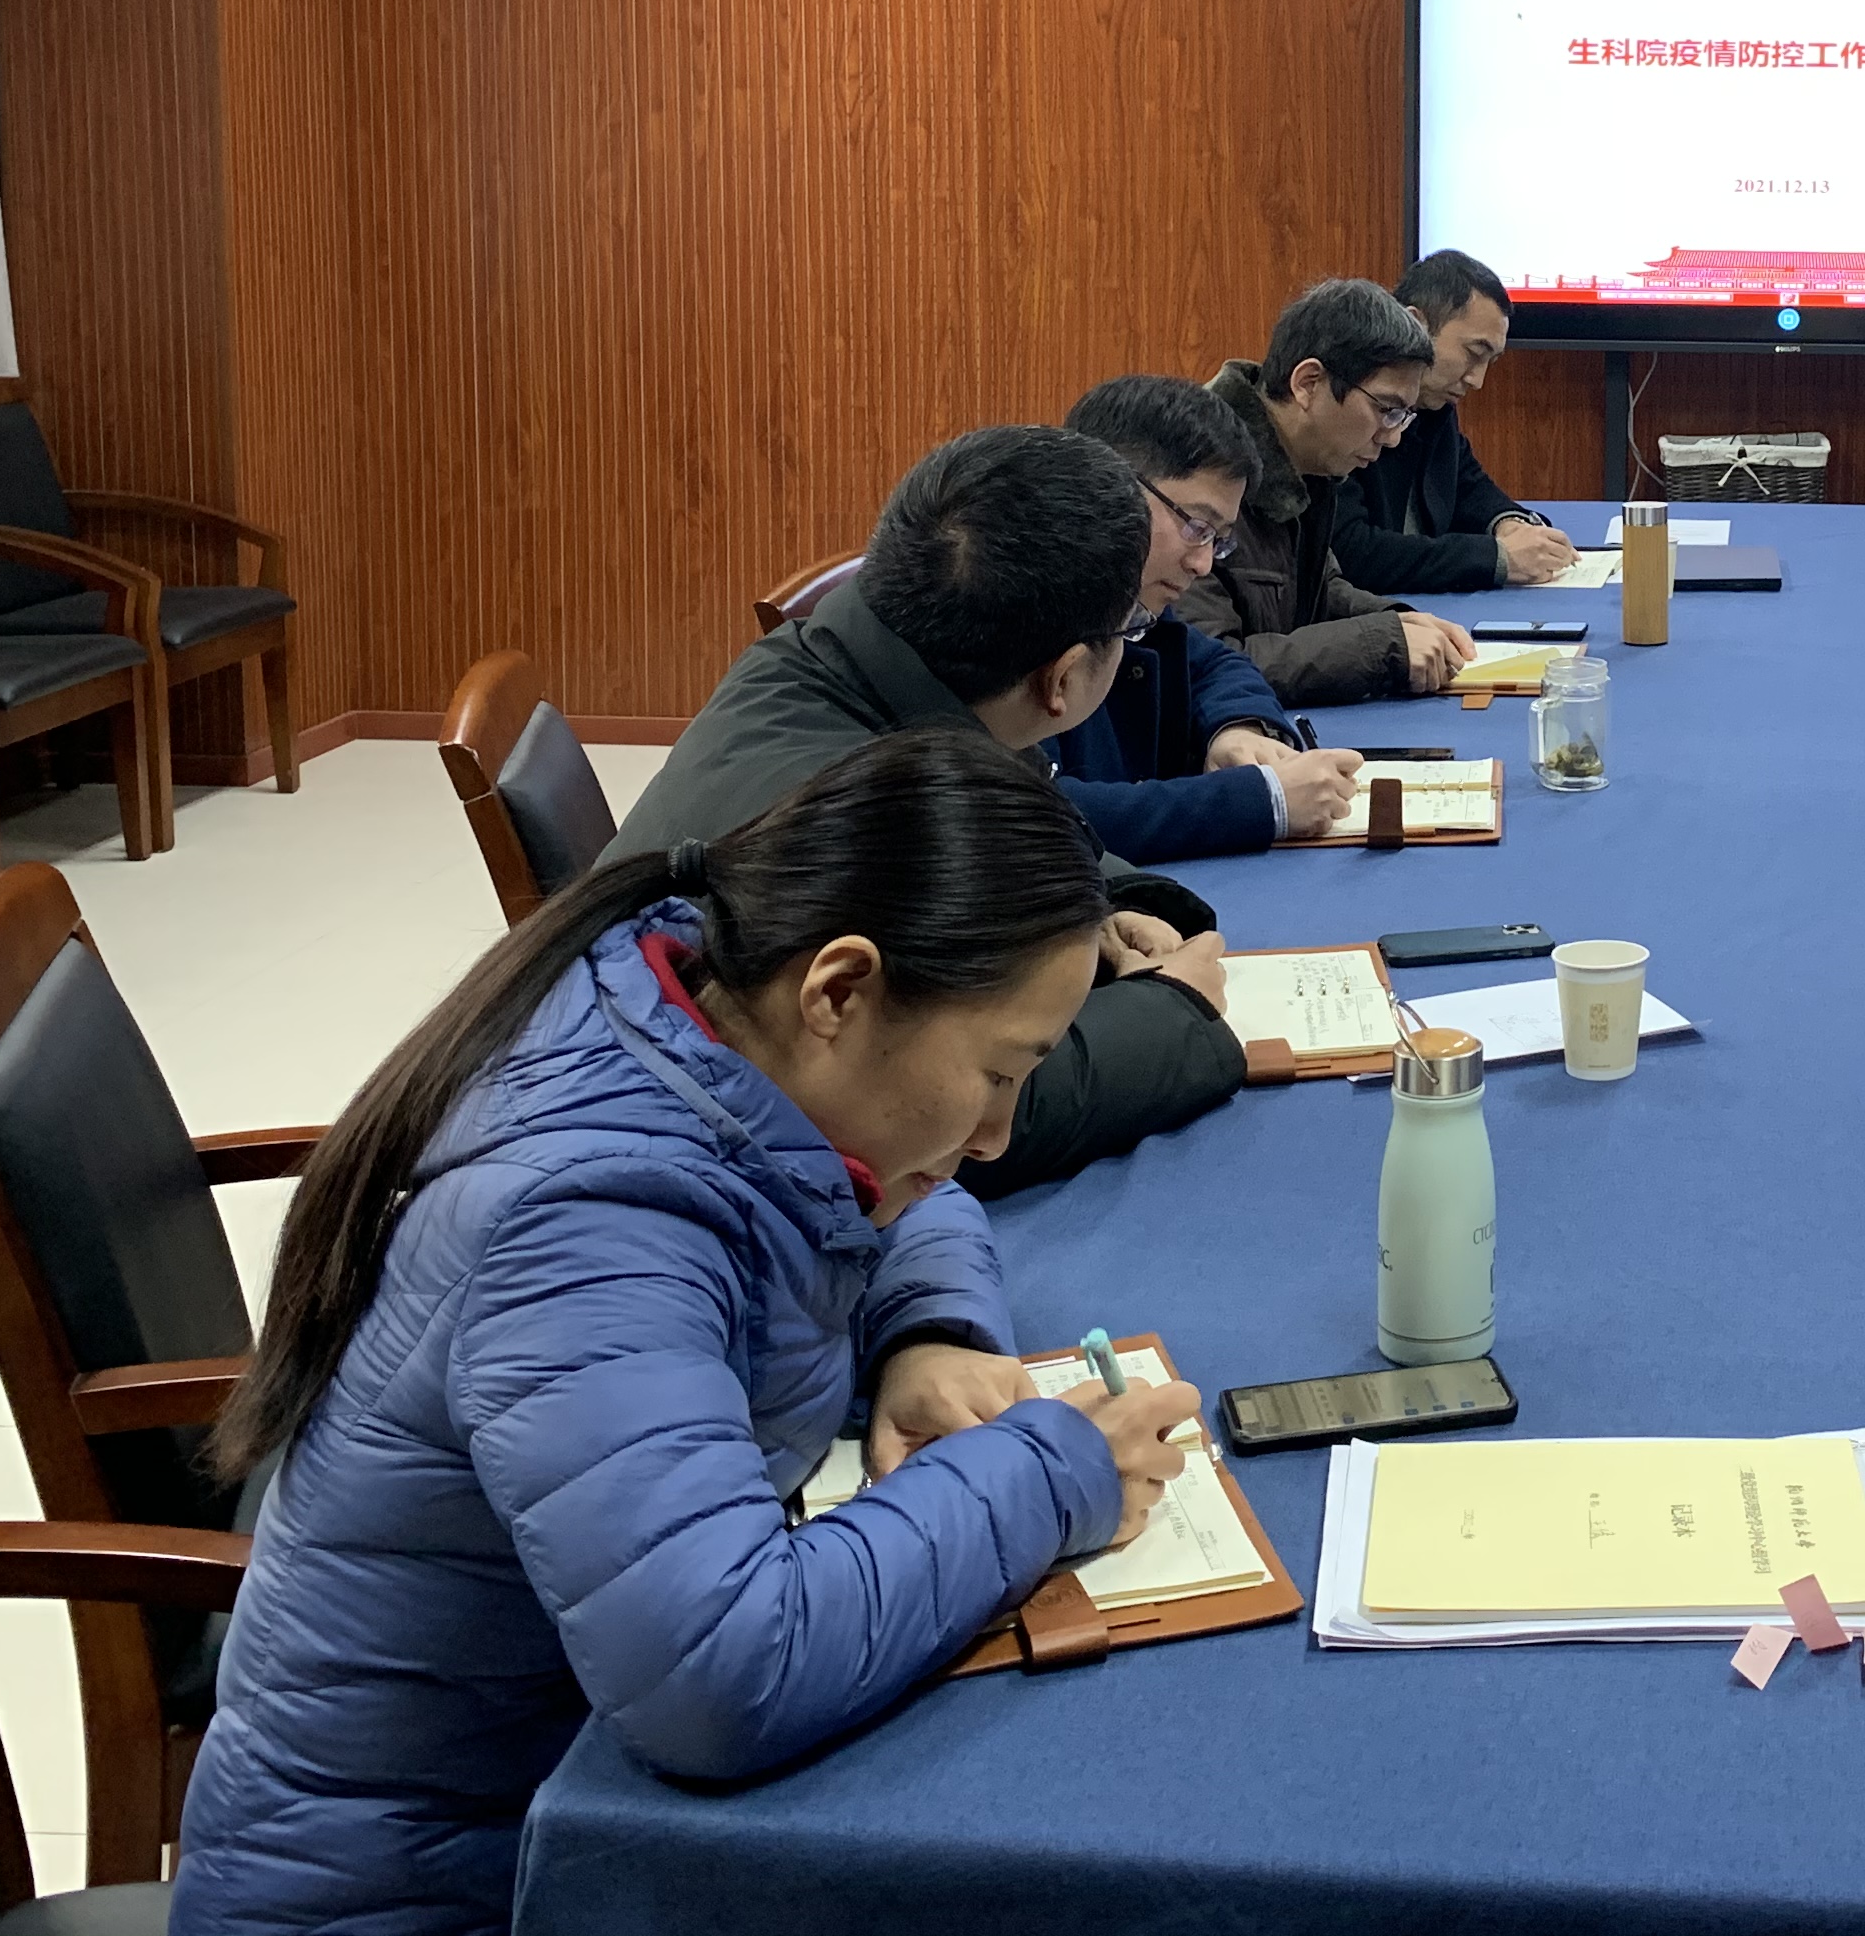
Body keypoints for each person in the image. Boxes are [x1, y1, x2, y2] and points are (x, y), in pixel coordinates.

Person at [173, 731, 1203, 1936]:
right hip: (420, 1895)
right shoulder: (590, 1227)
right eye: (998, 1071)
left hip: (520, 1810)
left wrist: (927, 1333)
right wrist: (1055, 1471)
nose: (995, 1135)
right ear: (839, 991)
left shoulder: (697, 1019)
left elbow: (888, 1200)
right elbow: (721, 1674)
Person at [614, 424, 1249, 1193]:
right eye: (1132, 631)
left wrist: (1105, 906)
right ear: (1063, 679)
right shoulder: (874, 816)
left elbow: (1019, 815)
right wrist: (1177, 1013)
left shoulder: (838, 656)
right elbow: (960, 1124)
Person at [1052, 373, 1365, 853]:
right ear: (1109, 488)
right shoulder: (1018, 608)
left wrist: (1236, 728)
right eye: (1196, 527)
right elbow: (1039, 814)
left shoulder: (1126, 603)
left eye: (1217, 540)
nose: (1202, 564)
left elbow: (1214, 663)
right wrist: (1262, 801)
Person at [1193, 277, 1479, 706]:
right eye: (1386, 410)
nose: (1392, 438)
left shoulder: (1306, 463)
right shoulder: (1194, 473)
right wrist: (1382, 644)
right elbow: (1207, 665)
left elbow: (1318, 590)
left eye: (1403, 416)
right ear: (1308, 383)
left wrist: (1398, 622)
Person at [1332, 247, 1577, 594]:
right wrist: (1497, 558)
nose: (1478, 380)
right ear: (1417, 325)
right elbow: (1351, 553)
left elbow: (1466, 484)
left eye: (1490, 361)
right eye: (1474, 354)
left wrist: (1510, 524)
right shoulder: (1344, 402)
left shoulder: (1432, 404)